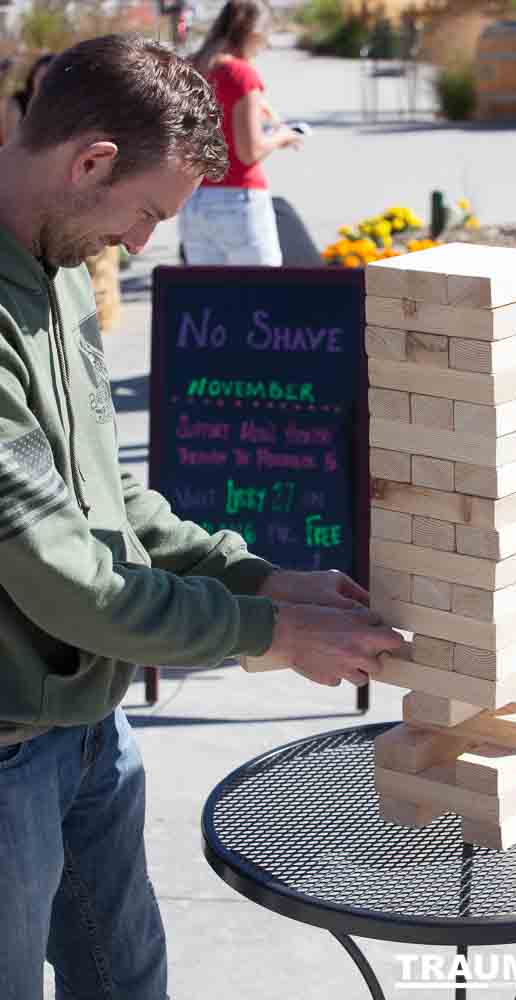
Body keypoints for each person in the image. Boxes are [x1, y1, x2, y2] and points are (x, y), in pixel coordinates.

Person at [0, 34, 403, 999]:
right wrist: (270, 631)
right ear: (90, 160)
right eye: (143, 213)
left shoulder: (56, 263)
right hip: (9, 753)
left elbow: (113, 500)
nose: (139, 246)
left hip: (90, 730)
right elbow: (67, 578)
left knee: (126, 976)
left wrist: (260, 576)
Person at [180, 0, 301, 265]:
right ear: (255, 33)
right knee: (260, 295)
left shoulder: (191, 68)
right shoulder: (241, 73)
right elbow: (249, 152)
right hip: (238, 198)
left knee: (208, 299)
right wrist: (283, 136)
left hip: (194, 198)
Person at [4, 51, 54, 141]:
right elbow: (10, 140)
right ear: (32, 76)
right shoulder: (18, 101)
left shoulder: (58, 106)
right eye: (40, 77)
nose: (43, 83)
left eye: (49, 79)